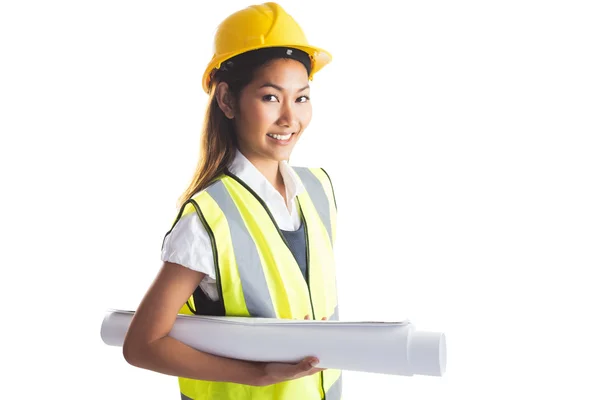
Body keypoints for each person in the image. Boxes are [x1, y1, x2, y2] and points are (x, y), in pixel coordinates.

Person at [122, 2, 341, 399]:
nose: (290, 118)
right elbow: (142, 344)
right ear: (226, 100)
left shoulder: (319, 191)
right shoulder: (208, 217)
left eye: (302, 98)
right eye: (271, 98)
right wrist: (256, 375)